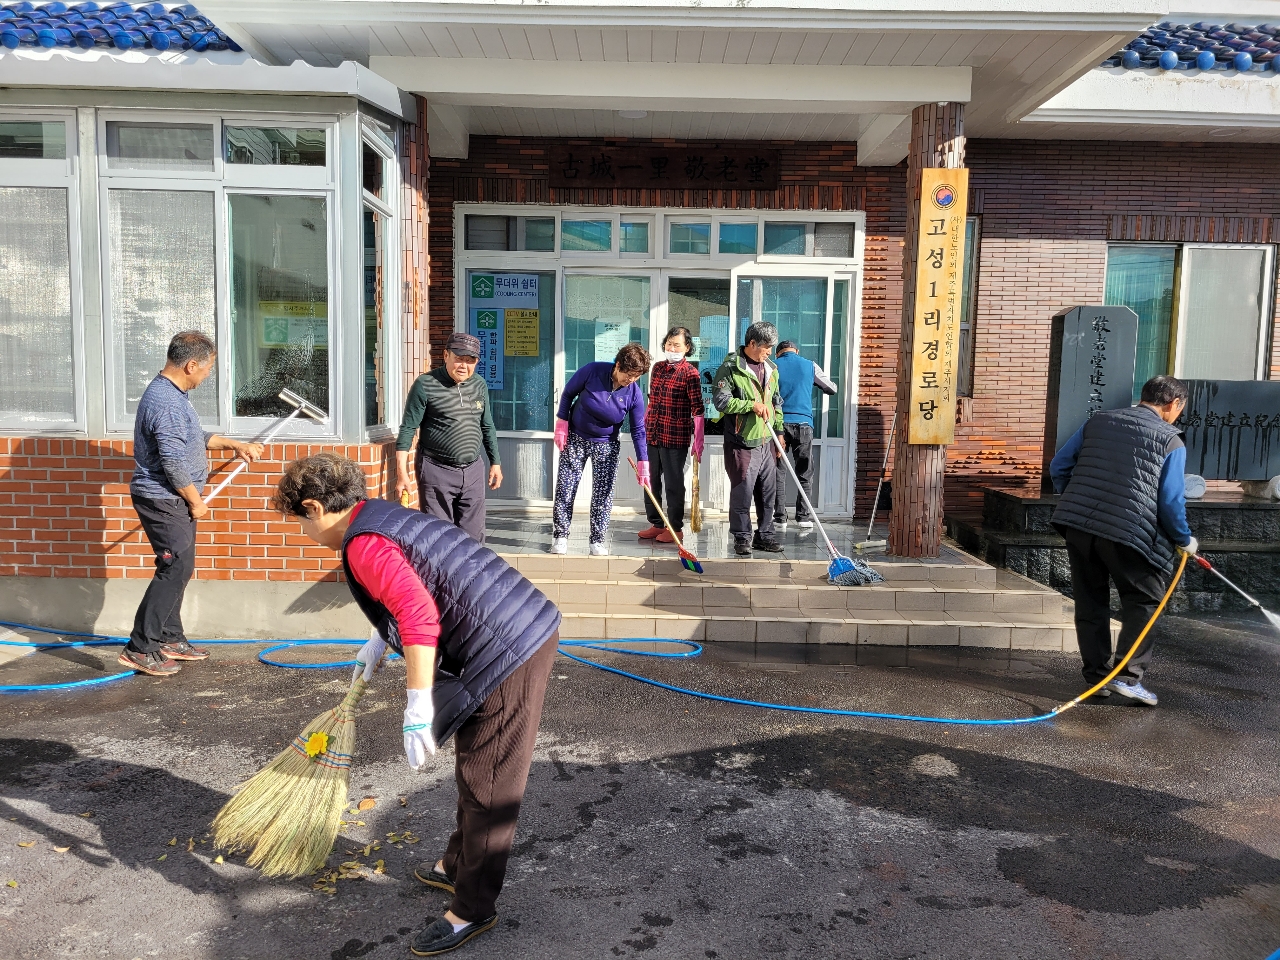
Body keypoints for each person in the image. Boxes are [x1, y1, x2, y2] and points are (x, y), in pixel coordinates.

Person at [272, 453, 561, 957]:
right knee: (478, 769)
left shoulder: (362, 543)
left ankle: (473, 908)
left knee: (490, 783)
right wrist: (378, 641)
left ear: (315, 507)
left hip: (509, 645)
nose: (304, 531)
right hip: (508, 625)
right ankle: (455, 865)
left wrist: (417, 703)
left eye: (300, 521)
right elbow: (410, 584)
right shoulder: (376, 516)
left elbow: (418, 613)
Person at [120, 331, 263, 677]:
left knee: (180, 567)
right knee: (174, 567)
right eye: (208, 368)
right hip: (163, 499)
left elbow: (190, 440)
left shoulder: (173, 395)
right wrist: (196, 502)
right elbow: (172, 462)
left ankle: (169, 637)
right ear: (191, 364)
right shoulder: (167, 402)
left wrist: (233, 444)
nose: (208, 375)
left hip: (171, 498)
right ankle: (141, 646)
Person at [1049, 375, 1198, 707]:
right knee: (1146, 602)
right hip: (1130, 533)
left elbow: (1059, 466)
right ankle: (1127, 678)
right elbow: (1171, 501)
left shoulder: (1098, 421)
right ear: (1174, 405)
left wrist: (1077, 499)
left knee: (1091, 601)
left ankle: (1096, 679)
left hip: (1080, 526)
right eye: (1179, 409)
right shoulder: (1170, 440)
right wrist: (1184, 538)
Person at [395, 333, 502, 543]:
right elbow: (408, 428)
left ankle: (469, 576)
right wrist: (402, 473)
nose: (464, 365)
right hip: (436, 470)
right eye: (459, 358)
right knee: (439, 537)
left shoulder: (479, 385)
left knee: (474, 536)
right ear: (446, 355)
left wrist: (495, 462)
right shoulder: (425, 384)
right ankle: (441, 576)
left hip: (473, 470)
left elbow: (487, 425)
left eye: (470, 360)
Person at [550, 343, 652, 557]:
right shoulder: (593, 371)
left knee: (603, 494)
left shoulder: (634, 394)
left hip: (606, 444)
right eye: (629, 375)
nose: (631, 380)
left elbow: (638, 430)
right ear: (618, 365)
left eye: (637, 376)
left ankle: (597, 540)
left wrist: (643, 461)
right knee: (566, 488)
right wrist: (562, 422)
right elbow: (568, 394)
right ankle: (560, 535)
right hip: (576, 438)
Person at [711, 321, 785, 557]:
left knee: (767, 493)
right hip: (742, 441)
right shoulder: (731, 368)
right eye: (766, 347)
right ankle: (742, 537)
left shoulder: (771, 368)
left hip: (767, 440)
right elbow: (721, 402)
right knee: (742, 491)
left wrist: (780, 432)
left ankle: (765, 536)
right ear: (752, 344)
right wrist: (750, 405)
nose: (769, 352)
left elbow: (776, 402)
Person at [639, 327, 705, 545]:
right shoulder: (657, 368)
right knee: (651, 481)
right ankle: (656, 522)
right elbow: (652, 400)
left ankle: (675, 527)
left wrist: (698, 440)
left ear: (687, 348)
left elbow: (698, 409)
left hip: (675, 437)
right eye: (669, 343)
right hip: (654, 433)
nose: (672, 348)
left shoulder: (690, 373)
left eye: (677, 344)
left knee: (673, 484)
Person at [771, 340, 837, 530]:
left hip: (779, 426)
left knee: (778, 471)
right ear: (796, 351)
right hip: (803, 424)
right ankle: (803, 517)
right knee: (805, 472)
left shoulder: (772, 366)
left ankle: (779, 518)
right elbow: (831, 388)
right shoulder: (809, 365)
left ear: (778, 353)